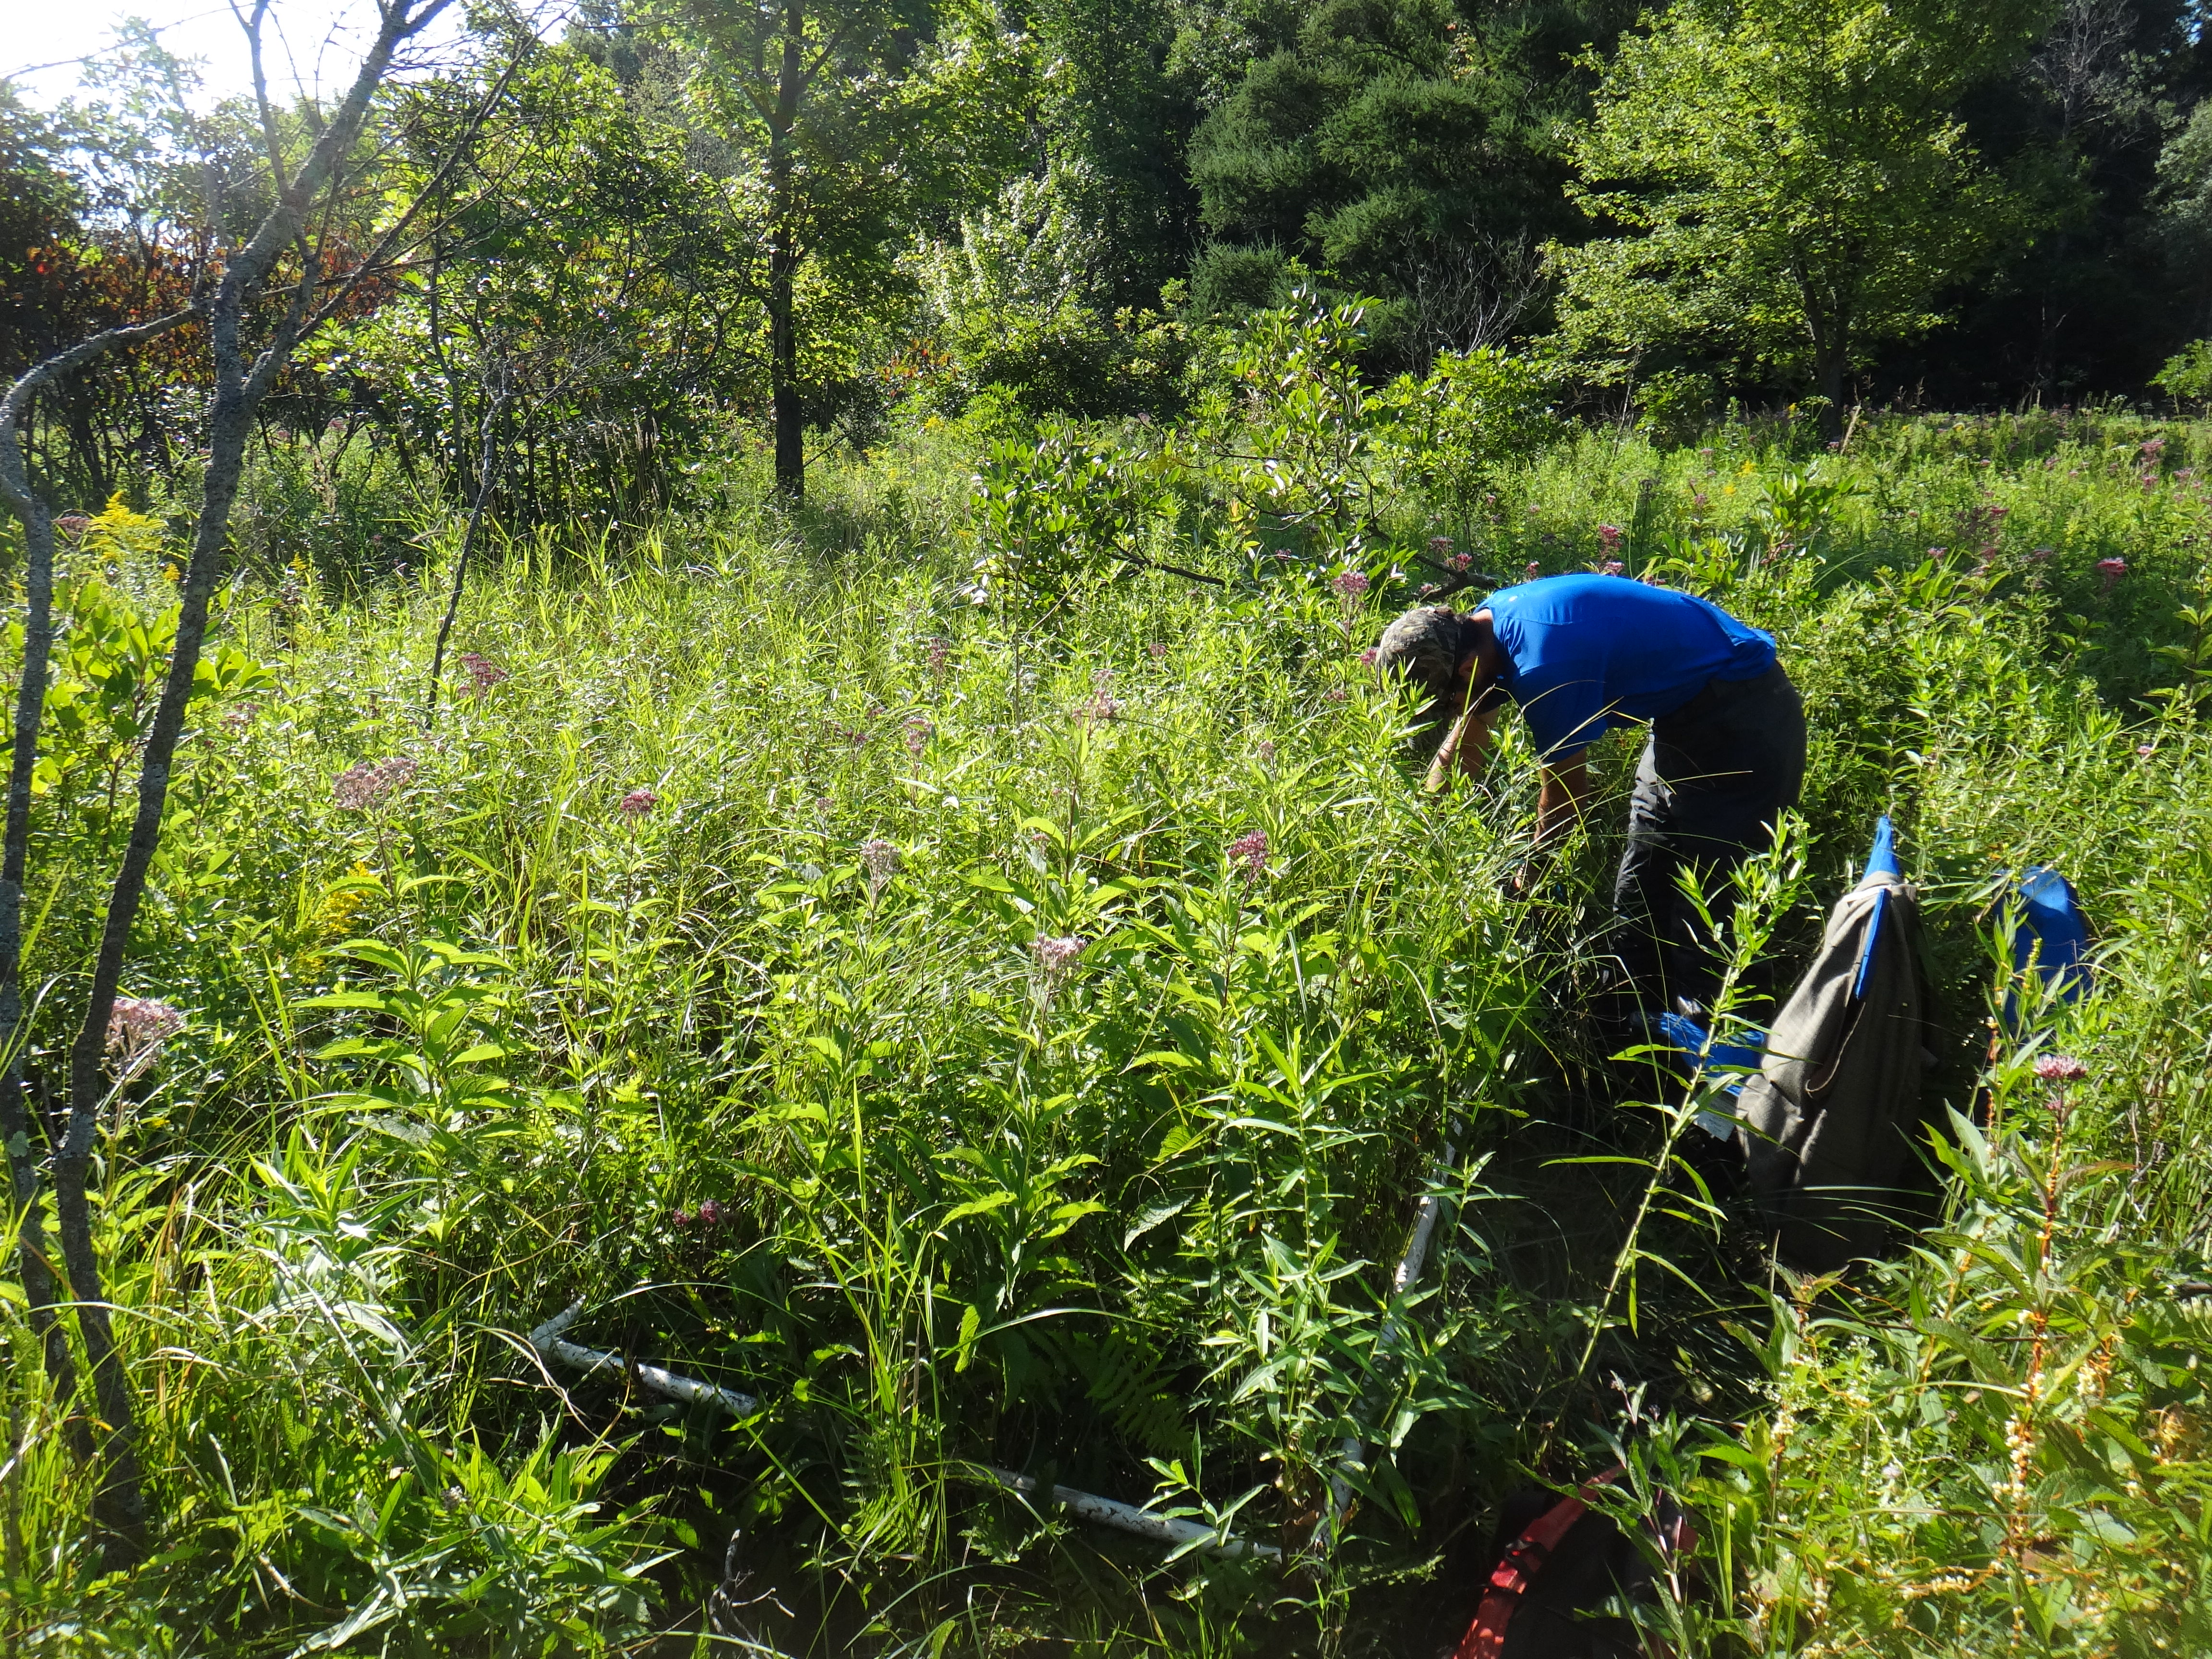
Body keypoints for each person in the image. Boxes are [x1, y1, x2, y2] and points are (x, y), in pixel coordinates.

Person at [1372, 573, 1805, 1026]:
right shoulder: (1482, 630)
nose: (1457, 711)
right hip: (1681, 716)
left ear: (1465, 671)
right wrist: (1416, 842)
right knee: (1639, 900)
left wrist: (1525, 886)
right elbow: (1468, 740)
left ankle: (1726, 1055)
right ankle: (1635, 1037)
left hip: (1745, 714)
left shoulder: (1542, 665)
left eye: (1449, 702)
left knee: (1713, 914)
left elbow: (1565, 803)